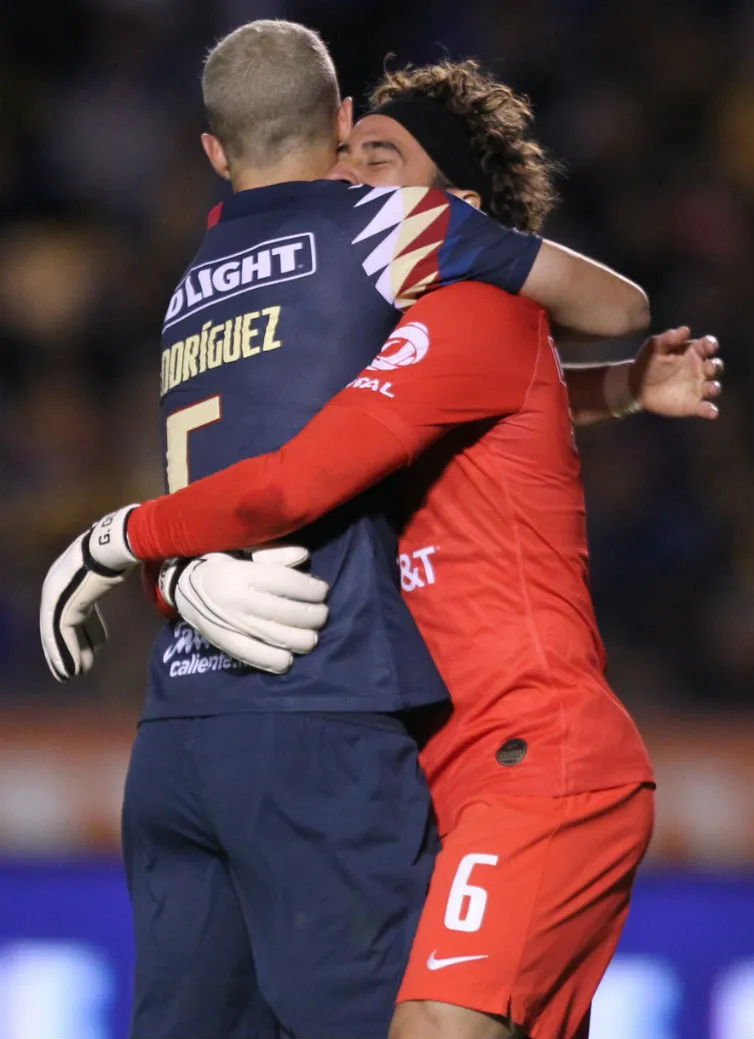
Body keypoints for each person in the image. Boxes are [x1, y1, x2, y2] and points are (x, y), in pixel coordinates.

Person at [37, 24, 687, 1039]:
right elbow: (298, 455)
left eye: (373, 158)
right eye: (345, 151)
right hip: (429, 760)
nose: (340, 174)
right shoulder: (372, 327)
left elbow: (295, 478)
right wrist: (186, 576)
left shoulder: (465, 309)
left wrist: (128, 540)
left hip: (527, 750)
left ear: (456, 203)